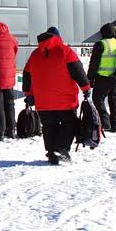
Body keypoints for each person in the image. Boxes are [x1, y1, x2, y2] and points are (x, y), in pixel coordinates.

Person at [22, 27, 91, 165]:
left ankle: (52, 154)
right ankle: (62, 148)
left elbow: (27, 76)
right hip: (65, 100)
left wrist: (29, 94)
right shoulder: (65, 51)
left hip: (43, 102)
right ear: (58, 38)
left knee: (48, 126)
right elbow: (78, 72)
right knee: (69, 123)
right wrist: (86, 88)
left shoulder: (34, 55)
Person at [88, 23, 116, 132]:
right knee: (114, 101)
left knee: (97, 99)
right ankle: (115, 125)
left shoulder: (101, 44)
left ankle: (105, 122)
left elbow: (94, 63)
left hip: (103, 77)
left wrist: (90, 78)